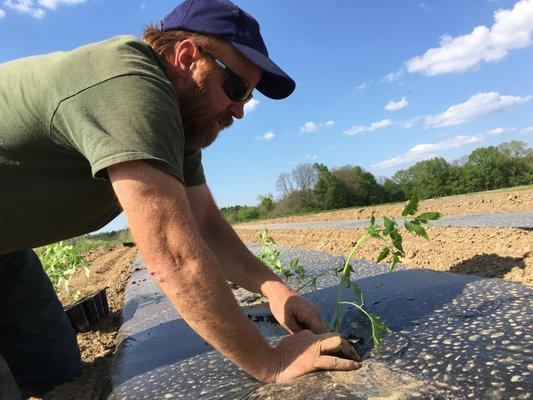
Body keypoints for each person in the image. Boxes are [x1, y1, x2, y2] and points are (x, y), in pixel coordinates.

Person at [0, 0, 360, 397]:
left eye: (248, 97)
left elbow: (205, 225)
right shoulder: (129, 82)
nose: (239, 110)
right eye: (236, 87)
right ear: (188, 56)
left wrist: (275, 289)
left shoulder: (180, 125)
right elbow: (173, 254)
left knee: (55, 370)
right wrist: (272, 361)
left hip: (7, 250)